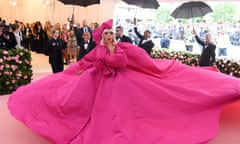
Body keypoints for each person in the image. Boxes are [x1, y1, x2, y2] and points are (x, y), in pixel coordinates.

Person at [8, 19, 240, 144]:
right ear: (100, 36)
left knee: (121, 116)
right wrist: (63, 76)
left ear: (115, 35)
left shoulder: (123, 47)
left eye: (111, 33)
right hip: (93, 86)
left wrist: (111, 50)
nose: (109, 36)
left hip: (120, 87)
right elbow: (82, 64)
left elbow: (123, 62)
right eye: (105, 34)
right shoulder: (95, 50)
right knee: (65, 100)